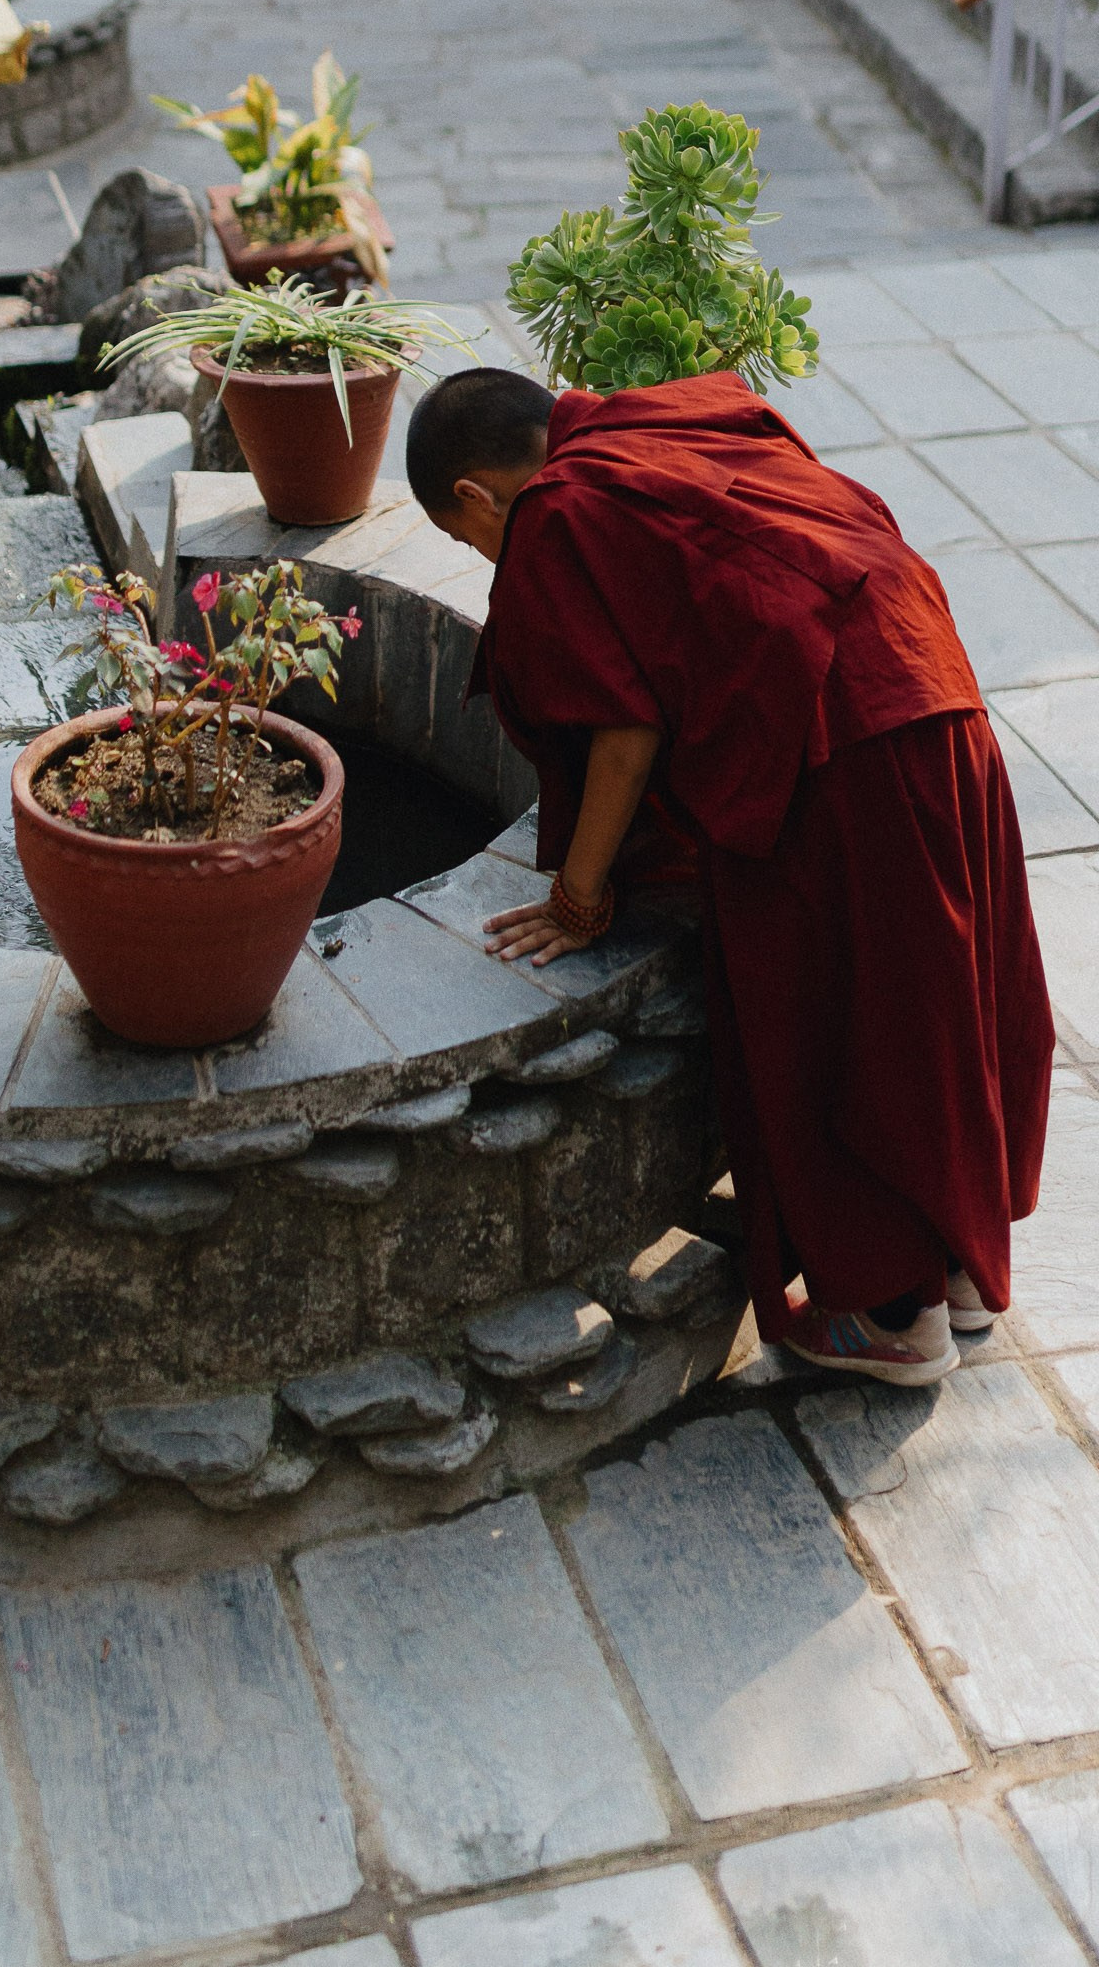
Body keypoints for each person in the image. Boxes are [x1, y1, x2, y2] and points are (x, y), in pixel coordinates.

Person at [406, 365, 1053, 1386]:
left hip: (843, 753)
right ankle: (966, 1276)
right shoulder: (668, 413)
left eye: (465, 539)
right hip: (933, 687)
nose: (487, 556)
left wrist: (578, 902)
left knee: (858, 1033)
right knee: (945, 999)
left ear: (479, 499)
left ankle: (897, 1322)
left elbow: (624, 731)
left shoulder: (559, 514)